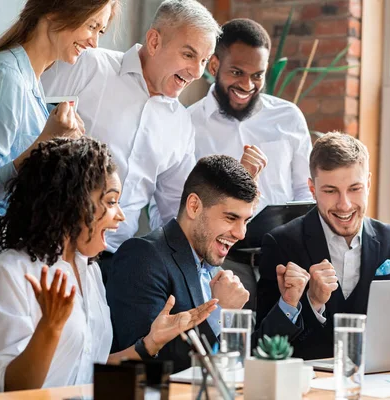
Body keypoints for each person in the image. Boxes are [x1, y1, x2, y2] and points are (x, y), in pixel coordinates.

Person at [0, 137, 217, 394]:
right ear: (72, 201)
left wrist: (150, 343)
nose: (121, 216)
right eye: (111, 201)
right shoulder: (8, 273)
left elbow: (89, 374)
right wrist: (50, 328)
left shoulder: (88, 270)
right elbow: (12, 389)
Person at [0, 0, 120, 347]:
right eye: (92, 26)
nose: (95, 42)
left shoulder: (30, 82)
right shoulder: (4, 77)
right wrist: (43, 143)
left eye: (100, 31)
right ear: (56, 11)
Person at [42, 0, 247, 283]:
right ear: (153, 41)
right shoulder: (88, 66)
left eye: (203, 60)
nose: (197, 72)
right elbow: (26, 130)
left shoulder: (180, 124)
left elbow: (173, 212)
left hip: (115, 265)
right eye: (189, 54)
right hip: (48, 246)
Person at [256, 132, 390, 360]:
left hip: (382, 384)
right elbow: (264, 346)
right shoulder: (281, 243)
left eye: (355, 189)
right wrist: (311, 302)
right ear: (312, 190)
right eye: (330, 191)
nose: (344, 205)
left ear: (369, 183)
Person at [107, 155, 307, 371]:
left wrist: (288, 303)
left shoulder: (213, 266)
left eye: (246, 221)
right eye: (231, 218)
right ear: (194, 206)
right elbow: (144, 363)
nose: (241, 234)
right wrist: (219, 311)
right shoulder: (142, 257)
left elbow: (243, 357)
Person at [188, 19, 313, 308]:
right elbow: (183, 208)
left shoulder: (288, 117)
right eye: (237, 73)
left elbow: (306, 191)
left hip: (285, 264)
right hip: (222, 267)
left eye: (257, 75)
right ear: (214, 66)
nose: (247, 85)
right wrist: (240, 179)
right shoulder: (188, 125)